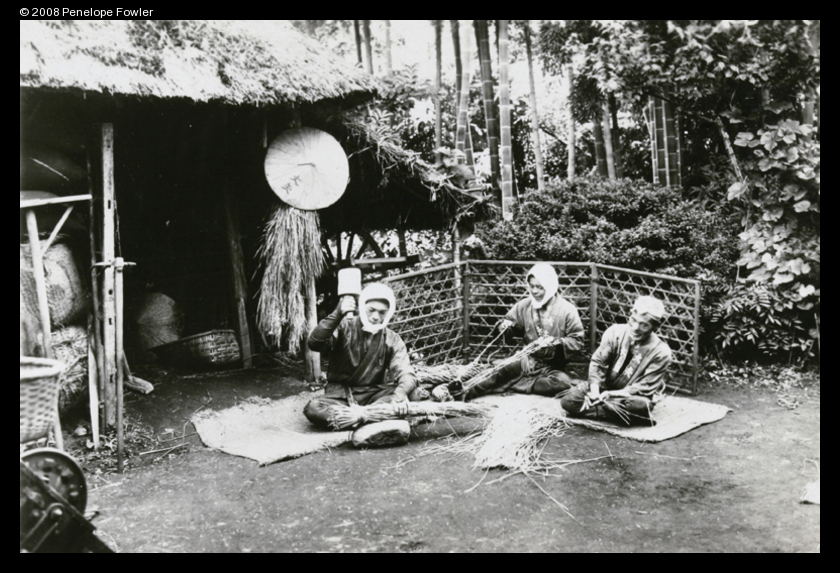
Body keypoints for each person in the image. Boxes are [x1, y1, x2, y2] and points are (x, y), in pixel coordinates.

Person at [465, 262, 585, 400]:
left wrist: (556, 342)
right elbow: (510, 328)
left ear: (550, 286)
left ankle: (514, 383)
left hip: (552, 367)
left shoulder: (567, 310)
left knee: (562, 383)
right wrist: (505, 326)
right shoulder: (524, 306)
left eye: (540, 287)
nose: (534, 291)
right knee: (500, 370)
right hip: (526, 361)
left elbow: (577, 341)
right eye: (531, 286)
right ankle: (463, 391)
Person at [303, 282, 416, 429]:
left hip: (375, 395)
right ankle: (376, 417)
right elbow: (314, 343)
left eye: (382, 312)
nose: (375, 317)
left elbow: (406, 372)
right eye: (371, 310)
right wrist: (337, 314)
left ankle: (357, 418)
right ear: (362, 307)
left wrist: (399, 396)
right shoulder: (344, 326)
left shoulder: (392, 338)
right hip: (342, 396)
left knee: (413, 394)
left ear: (389, 313)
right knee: (313, 408)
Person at [560, 295, 672, 426]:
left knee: (641, 405)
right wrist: (595, 392)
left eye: (644, 325)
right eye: (633, 320)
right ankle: (616, 414)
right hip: (604, 388)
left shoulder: (661, 352)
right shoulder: (615, 332)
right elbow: (598, 362)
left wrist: (613, 394)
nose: (635, 328)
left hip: (629, 397)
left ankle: (606, 409)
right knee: (568, 401)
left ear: (655, 327)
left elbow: (643, 387)